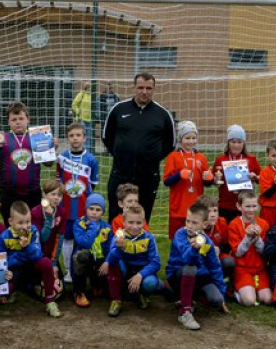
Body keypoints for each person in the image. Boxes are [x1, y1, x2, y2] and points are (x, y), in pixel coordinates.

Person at [101, 73, 176, 222]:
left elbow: (170, 144)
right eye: (140, 87)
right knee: (116, 217)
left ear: (154, 90)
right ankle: (115, 245)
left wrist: (151, 156)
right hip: (120, 174)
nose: (144, 91)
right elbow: (106, 136)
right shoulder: (119, 109)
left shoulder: (162, 114)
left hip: (147, 176)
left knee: (142, 218)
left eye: (149, 88)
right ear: (134, 88)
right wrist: (121, 153)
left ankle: (140, 245)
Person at [166, 201, 228, 330]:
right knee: (191, 268)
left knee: (216, 300)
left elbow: (215, 267)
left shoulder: (208, 242)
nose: (189, 225)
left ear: (204, 224)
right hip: (178, 274)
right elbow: (188, 259)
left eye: (194, 223)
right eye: (188, 221)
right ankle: (185, 312)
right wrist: (195, 249)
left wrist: (222, 295)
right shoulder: (180, 234)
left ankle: (188, 299)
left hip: (199, 276)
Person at [0, 200, 62, 318]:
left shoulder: (34, 231)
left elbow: (37, 255)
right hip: (14, 269)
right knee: (7, 290)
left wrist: (26, 247)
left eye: (28, 222)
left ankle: (50, 301)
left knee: (46, 262)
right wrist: (6, 271)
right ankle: (17, 289)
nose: (25, 226)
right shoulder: (4, 236)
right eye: (20, 223)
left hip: (31, 266)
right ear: (10, 221)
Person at [0, 101, 45, 220]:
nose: (18, 122)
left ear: (28, 120)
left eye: (21, 118)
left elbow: (48, 164)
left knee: (31, 226)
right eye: (14, 119)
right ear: (8, 122)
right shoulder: (2, 138)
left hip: (32, 192)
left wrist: (51, 149)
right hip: (8, 193)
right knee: (10, 226)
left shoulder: (37, 137)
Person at [56, 122, 100, 279]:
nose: (75, 139)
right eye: (71, 136)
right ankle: (68, 270)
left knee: (81, 241)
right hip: (65, 208)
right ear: (67, 138)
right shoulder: (62, 158)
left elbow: (92, 186)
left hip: (82, 209)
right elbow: (58, 182)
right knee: (66, 240)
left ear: (84, 138)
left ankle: (82, 271)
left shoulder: (91, 160)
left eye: (78, 135)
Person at [103, 203, 161, 316]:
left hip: (142, 271)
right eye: (130, 222)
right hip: (125, 270)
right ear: (123, 222)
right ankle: (116, 299)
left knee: (151, 283)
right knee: (116, 264)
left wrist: (141, 275)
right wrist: (119, 248)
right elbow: (112, 261)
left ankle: (142, 295)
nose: (134, 227)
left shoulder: (149, 238)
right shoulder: (119, 237)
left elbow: (156, 262)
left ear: (144, 222)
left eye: (138, 223)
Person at [163, 120, 213, 240]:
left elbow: (207, 183)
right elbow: (166, 181)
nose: (191, 141)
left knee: (196, 240)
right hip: (178, 208)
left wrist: (209, 178)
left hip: (196, 208)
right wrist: (179, 175)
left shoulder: (201, 158)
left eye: (193, 138)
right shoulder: (173, 157)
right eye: (187, 138)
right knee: (177, 240)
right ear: (180, 139)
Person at [227, 190, 271, 307]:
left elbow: (264, 252)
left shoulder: (263, 224)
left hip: (259, 268)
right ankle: (234, 291)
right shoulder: (234, 224)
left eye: (254, 206)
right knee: (249, 301)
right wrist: (247, 237)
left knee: (267, 299)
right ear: (239, 206)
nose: (251, 210)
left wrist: (257, 239)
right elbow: (238, 253)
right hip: (242, 268)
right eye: (247, 206)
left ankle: (252, 288)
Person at [70, 194, 113, 308]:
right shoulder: (79, 224)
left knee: (111, 261)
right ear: (86, 209)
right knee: (82, 255)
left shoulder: (107, 228)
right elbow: (85, 243)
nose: (94, 212)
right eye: (91, 208)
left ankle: (97, 284)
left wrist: (107, 262)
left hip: (99, 262)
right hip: (83, 261)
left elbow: (110, 249)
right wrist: (93, 226)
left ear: (103, 212)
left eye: (98, 210)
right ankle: (78, 292)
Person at [211, 125, 260, 223]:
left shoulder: (251, 159)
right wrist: (216, 179)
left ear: (244, 143)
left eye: (239, 142)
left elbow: (261, 179)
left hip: (244, 207)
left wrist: (255, 177)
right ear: (228, 143)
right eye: (233, 142)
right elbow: (213, 181)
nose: (236, 145)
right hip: (225, 205)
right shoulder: (220, 159)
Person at [70, 82, 93, 147]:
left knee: (88, 137)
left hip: (90, 119)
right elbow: (74, 104)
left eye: (90, 87)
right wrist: (78, 111)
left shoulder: (92, 96)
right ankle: (81, 151)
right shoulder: (81, 94)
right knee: (82, 136)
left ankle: (87, 152)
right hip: (81, 119)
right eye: (87, 87)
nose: (89, 88)